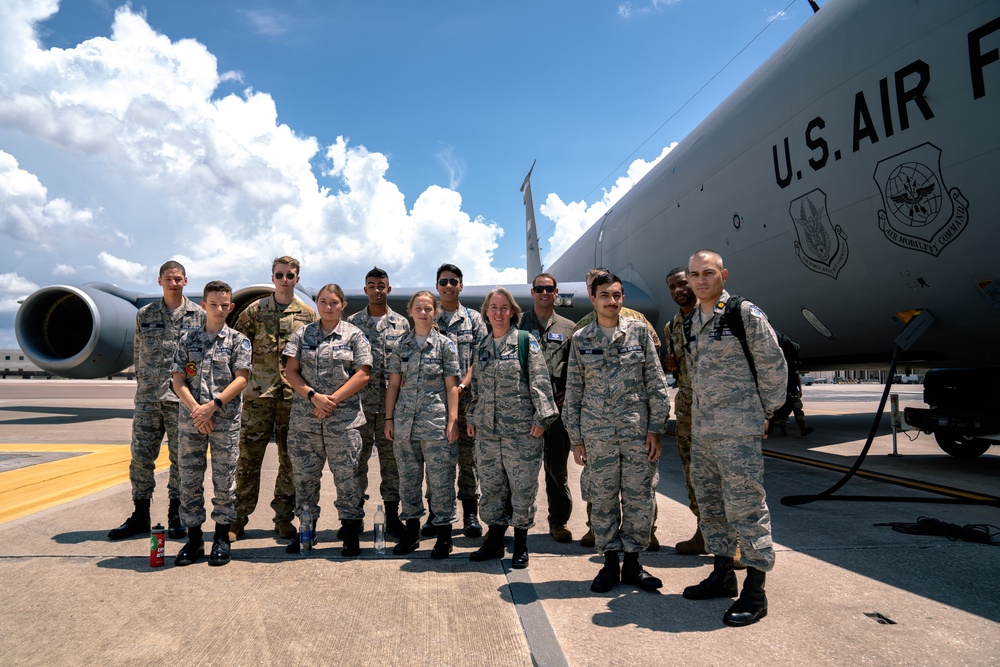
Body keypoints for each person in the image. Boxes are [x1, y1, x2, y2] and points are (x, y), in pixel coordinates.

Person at [681, 249, 787, 626]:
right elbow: (693, 376)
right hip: (705, 431)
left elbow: (772, 364)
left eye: (708, 273)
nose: (701, 280)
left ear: (723, 274)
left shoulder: (743, 313)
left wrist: (767, 412)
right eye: (694, 275)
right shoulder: (691, 321)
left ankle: (755, 592)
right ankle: (722, 573)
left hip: (738, 430)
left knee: (746, 509)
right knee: (712, 508)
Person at [564, 273, 670, 594]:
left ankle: (634, 564)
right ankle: (610, 563)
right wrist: (576, 439)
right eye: (605, 295)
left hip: (637, 434)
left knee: (639, 497)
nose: (612, 301)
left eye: (617, 295)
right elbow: (574, 391)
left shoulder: (638, 333)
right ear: (593, 299)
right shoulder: (582, 339)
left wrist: (656, 429)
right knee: (603, 498)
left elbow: (656, 383)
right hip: (597, 437)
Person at [108, 261, 206, 541]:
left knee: (181, 460)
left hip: (181, 401)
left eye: (178, 279)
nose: (173, 283)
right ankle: (140, 514)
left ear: (186, 281)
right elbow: (139, 354)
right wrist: (145, 387)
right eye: (168, 279)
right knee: (140, 458)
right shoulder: (145, 314)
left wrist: (190, 390)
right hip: (149, 400)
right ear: (159, 281)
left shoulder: (197, 316)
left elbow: (196, 360)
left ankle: (177, 515)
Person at [467, 288, 558, 568]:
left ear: (512, 311)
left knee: (522, 489)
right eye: (493, 307)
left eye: (504, 307)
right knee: (492, 488)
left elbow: (541, 383)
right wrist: (472, 417)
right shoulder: (482, 346)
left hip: (522, 434)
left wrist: (541, 421)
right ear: (486, 312)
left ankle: (520, 544)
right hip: (488, 434)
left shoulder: (524, 341)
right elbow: (478, 388)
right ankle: (494, 542)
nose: (498, 312)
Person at [231, 256, 317, 542]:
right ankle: (237, 518)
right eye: (279, 274)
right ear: (272, 277)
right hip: (258, 396)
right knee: (248, 459)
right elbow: (236, 348)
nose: (284, 279)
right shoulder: (254, 312)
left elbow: (313, 356)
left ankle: (283, 518)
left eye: (290, 275)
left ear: (297, 279)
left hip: (292, 399)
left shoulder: (307, 316)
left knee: (290, 460)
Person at [283, 284, 372, 557]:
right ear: (317, 304)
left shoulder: (355, 335)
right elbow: (290, 370)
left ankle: (349, 530)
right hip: (305, 422)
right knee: (305, 479)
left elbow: (363, 374)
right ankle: (306, 531)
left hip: (343, 422)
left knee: (347, 478)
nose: (328, 306)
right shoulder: (302, 334)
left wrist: (330, 400)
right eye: (323, 301)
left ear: (342, 305)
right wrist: (313, 397)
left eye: (334, 302)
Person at [170, 281, 252, 567]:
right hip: (192, 421)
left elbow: (241, 378)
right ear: (203, 306)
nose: (219, 309)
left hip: (224, 421)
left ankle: (220, 537)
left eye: (224, 305)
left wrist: (212, 407)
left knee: (224, 482)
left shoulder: (238, 341)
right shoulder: (187, 340)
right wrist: (196, 410)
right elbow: (178, 379)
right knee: (189, 481)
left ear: (231, 307)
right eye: (213, 304)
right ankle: (193, 540)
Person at [384, 291, 461, 558]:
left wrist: (453, 420)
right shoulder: (400, 345)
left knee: (441, 481)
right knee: (409, 481)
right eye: (419, 308)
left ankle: (444, 536)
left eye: (428, 308)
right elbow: (393, 385)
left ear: (435, 312)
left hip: (437, 425)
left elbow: (452, 386)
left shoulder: (445, 346)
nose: (423, 313)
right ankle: (412, 533)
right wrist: (389, 418)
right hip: (405, 425)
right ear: (410, 311)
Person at [347, 267, 410, 539]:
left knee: (392, 465)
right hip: (358, 407)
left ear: (389, 289)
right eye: (371, 285)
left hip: (390, 409)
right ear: (365, 290)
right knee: (355, 464)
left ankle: (393, 518)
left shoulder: (402, 324)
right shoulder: (351, 324)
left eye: (381, 285)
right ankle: (353, 518)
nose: (376, 290)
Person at [517, 273, 576, 543]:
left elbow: (576, 368)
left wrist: (569, 392)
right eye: (539, 288)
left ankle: (559, 522)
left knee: (556, 471)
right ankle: (514, 523)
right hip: (523, 410)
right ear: (532, 292)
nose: (544, 293)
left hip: (556, 412)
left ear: (556, 292)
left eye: (549, 289)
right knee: (517, 471)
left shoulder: (568, 327)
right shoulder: (518, 325)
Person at [433, 263, 488, 539]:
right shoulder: (428, 316)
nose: (448, 285)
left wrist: (463, 387)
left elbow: (479, 358)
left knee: (468, 460)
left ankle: (470, 514)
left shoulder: (474, 319)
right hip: (435, 404)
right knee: (438, 460)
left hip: (467, 401)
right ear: (437, 286)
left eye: (454, 281)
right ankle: (436, 514)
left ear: (461, 285)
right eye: (443, 281)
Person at [662, 267, 706, 555]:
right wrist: (671, 364)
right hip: (689, 410)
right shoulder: (672, 327)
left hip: (720, 408)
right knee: (694, 474)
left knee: (727, 476)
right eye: (672, 287)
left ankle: (737, 541)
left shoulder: (716, 316)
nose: (678, 290)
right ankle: (705, 531)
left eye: (682, 283)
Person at [769, 335, 813, 437]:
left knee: (795, 410)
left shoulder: (787, 366)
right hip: (789, 392)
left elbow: (797, 378)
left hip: (790, 392)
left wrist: (800, 391)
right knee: (789, 411)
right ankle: (785, 429)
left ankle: (801, 428)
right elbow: (797, 378)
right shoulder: (790, 366)